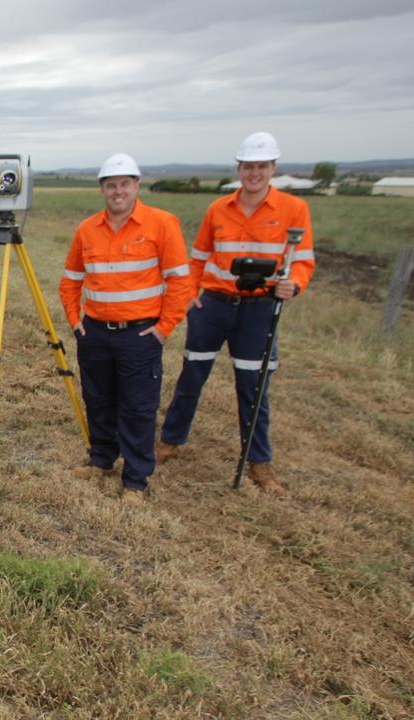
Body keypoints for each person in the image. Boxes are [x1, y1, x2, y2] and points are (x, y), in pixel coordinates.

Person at [157, 132, 315, 497]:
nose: (254, 173)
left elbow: (303, 261)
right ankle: (169, 442)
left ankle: (259, 462)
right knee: (191, 377)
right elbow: (198, 257)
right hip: (212, 305)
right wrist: (191, 296)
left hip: (259, 311)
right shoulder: (218, 209)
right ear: (239, 169)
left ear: (273, 168)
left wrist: (295, 284)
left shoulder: (293, 210)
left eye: (262, 166)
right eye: (248, 166)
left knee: (254, 389)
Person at [59, 153, 191, 506]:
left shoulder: (162, 224)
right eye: (110, 185)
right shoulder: (87, 229)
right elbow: (70, 280)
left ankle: (135, 478)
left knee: (137, 407)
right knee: (98, 399)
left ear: (136, 185)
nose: (117, 191)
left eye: (123, 184)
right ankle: (102, 459)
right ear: (102, 189)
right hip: (95, 333)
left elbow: (180, 281)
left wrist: (164, 329)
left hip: (140, 335)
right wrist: (76, 321)